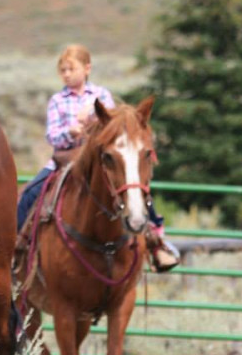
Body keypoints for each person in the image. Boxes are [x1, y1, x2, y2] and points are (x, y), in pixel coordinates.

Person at [16, 44, 179, 272]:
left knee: (135, 188)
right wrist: (71, 131)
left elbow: (114, 128)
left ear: (87, 69)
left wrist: (90, 123)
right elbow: (52, 136)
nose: (66, 74)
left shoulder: (101, 95)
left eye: (71, 69)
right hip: (65, 158)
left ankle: (156, 243)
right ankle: (17, 246)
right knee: (31, 192)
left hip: (97, 159)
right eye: (62, 70)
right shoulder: (57, 100)